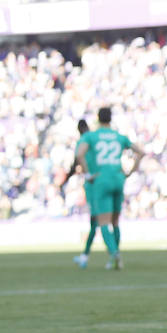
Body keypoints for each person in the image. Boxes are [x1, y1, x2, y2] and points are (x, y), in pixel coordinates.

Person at [75, 106, 139, 270]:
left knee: (103, 222)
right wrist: (130, 171)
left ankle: (114, 252)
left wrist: (88, 174)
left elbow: (79, 154)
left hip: (101, 180)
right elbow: (141, 152)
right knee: (116, 221)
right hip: (118, 178)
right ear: (111, 118)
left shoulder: (91, 136)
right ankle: (116, 258)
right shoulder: (119, 136)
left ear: (98, 118)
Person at [60, 118, 100, 268]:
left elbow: (77, 161)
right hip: (105, 178)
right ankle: (87, 255)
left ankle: (108, 254)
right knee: (109, 220)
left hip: (92, 183)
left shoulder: (83, 141)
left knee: (95, 221)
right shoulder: (96, 139)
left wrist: (65, 180)